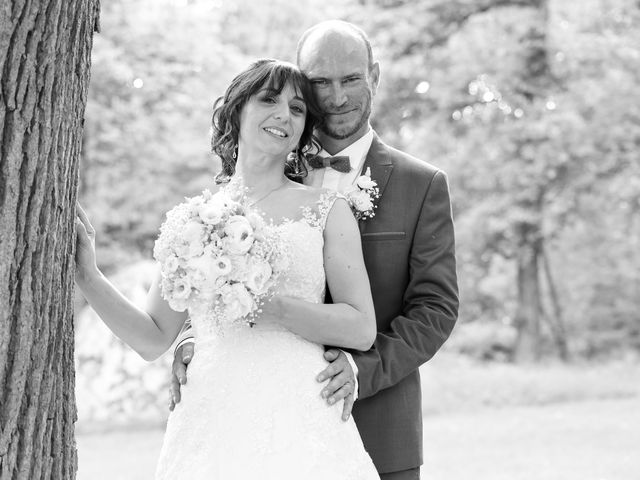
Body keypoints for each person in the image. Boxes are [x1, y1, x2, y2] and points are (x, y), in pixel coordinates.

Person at [172, 20, 459, 480]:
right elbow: (223, 267)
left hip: (379, 423)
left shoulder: (422, 184)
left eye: (351, 79)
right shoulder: (265, 169)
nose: (338, 96)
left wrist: (363, 368)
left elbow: (436, 308)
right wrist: (193, 337)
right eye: (321, 82)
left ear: (375, 76)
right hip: (263, 420)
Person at [75, 59, 380, 479]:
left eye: (296, 108)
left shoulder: (327, 210)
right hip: (210, 414)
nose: (283, 115)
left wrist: (275, 310)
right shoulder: (192, 221)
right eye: (269, 100)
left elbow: (362, 327)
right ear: (237, 111)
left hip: (299, 411)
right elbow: (152, 337)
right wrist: (88, 276)